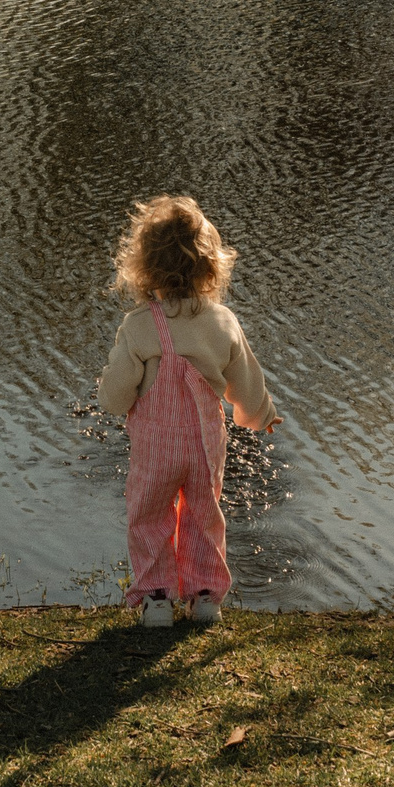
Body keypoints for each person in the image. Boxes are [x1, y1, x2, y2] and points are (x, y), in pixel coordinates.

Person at [96, 194, 280, 628]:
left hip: (156, 447)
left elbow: (115, 394)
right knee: (203, 513)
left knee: (149, 514)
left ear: (143, 268)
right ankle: (205, 598)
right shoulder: (222, 322)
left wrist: (111, 399)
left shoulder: (140, 326)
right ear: (209, 266)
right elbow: (246, 381)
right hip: (203, 445)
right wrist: (262, 413)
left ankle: (157, 599)